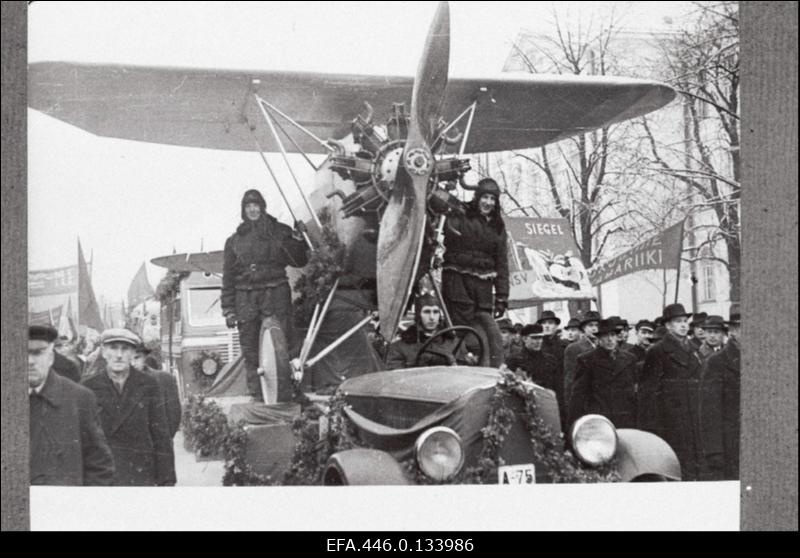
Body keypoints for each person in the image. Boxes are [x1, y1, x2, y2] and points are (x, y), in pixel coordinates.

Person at [221, 189, 309, 400]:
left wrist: (299, 239)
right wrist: (229, 310)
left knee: (285, 343)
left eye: (256, 205)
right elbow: (228, 278)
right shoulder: (234, 242)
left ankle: (291, 394)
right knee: (251, 348)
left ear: (262, 206)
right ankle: (258, 397)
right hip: (246, 299)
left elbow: (299, 260)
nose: (252, 209)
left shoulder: (279, 232)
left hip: (275, 293)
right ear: (243, 210)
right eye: (248, 206)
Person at [82, 328, 176, 486]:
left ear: (133, 353)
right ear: (103, 352)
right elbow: (83, 441)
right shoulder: (88, 388)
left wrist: (166, 481)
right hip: (103, 478)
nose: (119, 355)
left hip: (140, 475)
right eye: (113, 348)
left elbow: (161, 436)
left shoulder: (149, 385)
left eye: (125, 349)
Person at [28, 325, 115, 486]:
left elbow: (100, 465)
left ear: (51, 356)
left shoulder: (79, 398)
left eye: (38, 352)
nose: (30, 361)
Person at [441, 178, 508, 367]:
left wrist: (502, 296)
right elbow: (446, 225)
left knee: (484, 329)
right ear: (477, 197)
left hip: (483, 286)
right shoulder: (461, 213)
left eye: (492, 199)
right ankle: (457, 364)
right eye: (485, 197)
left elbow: (502, 262)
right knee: (459, 327)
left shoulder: (498, 226)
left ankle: (485, 370)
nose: (488, 202)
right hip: (458, 280)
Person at [638, 303, 704, 481]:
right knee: (675, 471)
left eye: (685, 321)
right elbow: (648, 393)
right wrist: (654, 429)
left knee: (695, 469)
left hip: (693, 420)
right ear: (667, 326)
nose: (684, 325)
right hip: (671, 423)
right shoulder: (657, 352)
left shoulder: (694, 350)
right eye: (678, 322)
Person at [568, 319, 639, 430]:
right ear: (599, 338)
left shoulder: (630, 359)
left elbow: (634, 392)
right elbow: (578, 395)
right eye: (605, 336)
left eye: (612, 335)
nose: (610, 339)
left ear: (617, 337)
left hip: (625, 419)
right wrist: (574, 425)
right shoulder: (586, 360)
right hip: (600, 420)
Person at [699, 305, 741, 480]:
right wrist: (714, 452)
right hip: (731, 446)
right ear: (733, 330)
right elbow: (709, 411)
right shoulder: (717, 362)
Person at [385, 294, 472, 370]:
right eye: (427, 312)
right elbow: (397, 380)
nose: (432, 317)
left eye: (435, 312)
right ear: (419, 315)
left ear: (440, 315)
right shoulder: (400, 348)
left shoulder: (455, 343)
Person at [507, 323, 563, 427]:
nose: (539, 342)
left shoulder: (551, 360)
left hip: (547, 407)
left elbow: (559, 386)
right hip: (523, 409)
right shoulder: (514, 360)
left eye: (540, 338)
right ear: (524, 339)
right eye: (534, 338)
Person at [132, 343, 182, 439]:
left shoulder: (164, 379)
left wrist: (165, 441)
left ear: (145, 357)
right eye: (129, 359)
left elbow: (174, 414)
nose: (133, 364)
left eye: (137, 358)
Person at [563, 310, 601, 408]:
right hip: (584, 400)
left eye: (597, 325)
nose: (594, 329)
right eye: (590, 325)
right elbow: (570, 379)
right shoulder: (574, 348)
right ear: (584, 328)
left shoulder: (604, 347)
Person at [538, 310, 565, 374]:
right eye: (544, 323)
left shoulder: (564, 346)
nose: (547, 326)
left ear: (556, 326)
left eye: (550, 323)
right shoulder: (536, 345)